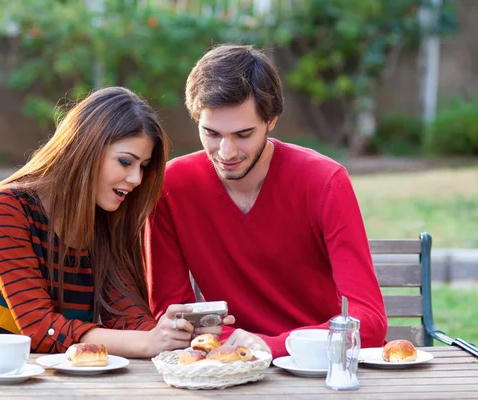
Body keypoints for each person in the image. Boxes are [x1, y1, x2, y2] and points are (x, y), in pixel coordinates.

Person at [0, 86, 232, 356]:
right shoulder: (5, 208)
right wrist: (148, 342)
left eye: (142, 166)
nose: (136, 179)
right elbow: (39, 326)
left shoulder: (106, 221)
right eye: (125, 162)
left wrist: (179, 333)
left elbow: (125, 314)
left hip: (49, 372)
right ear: (85, 149)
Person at [147, 44, 388, 358]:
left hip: (317, 367)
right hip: (228, 366)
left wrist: (271, 346)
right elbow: (173, 315)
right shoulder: (171, 186)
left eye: (243, 134)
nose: (226, 152)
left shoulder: (325, 181)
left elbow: (369, 322)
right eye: (211, 133)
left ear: (271, 119)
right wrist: (241, 345)